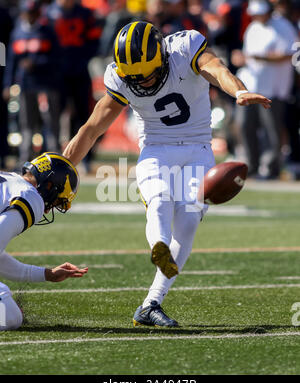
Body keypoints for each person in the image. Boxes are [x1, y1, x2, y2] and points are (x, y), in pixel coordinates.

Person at [63, 21, 271, 327]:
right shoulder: (121, 76)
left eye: (148, 74)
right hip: (156, 148)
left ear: (162, 56)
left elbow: (216, 68)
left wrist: (237, 92)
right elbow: (92, 129)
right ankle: (159, 247)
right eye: (136, 78)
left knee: (187, 218)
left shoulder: (185, 48)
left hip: (199, 146)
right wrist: (62, 166)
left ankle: (151, 303)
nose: (143, 83)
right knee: (159, 200)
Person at [0, 152, 88, 330]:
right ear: (49, 185)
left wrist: (47, 274)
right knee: (9, 316)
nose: (48, 210)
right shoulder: (31, 196)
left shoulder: (9, 179)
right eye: (55, 202)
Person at [232, 0, 298, 179]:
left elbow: (288, 54)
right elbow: (248, 55)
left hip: (273, 87)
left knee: (271, 129)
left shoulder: (283, 26)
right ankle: (251, 165)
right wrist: (242, 59)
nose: (257, 16)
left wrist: (259, 58)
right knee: (244, 124)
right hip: (250, 85)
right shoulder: (253, 28)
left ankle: (271, 167)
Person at [45, 0, 102, 173]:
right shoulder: (49, 12)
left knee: (83, 115)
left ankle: (85, 158)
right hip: (56, 74)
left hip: (79, 71)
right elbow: (44, 39)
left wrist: (81, 60)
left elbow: (94, 40)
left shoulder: (85, 13)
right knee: (52, 115)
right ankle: (51, 158)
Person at [3, 0, 62, 166]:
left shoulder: (47, 31)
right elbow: (11, 63)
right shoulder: (17, 33)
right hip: (26, 85)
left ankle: (53, 159)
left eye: (33, 13)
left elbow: (57, 58)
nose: (29, 16)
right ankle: (25, 160)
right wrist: (8, 84)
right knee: (27, 124)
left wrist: (37, 63)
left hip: (46, 85)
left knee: (50, 123)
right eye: (27, 13)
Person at [0, 6, 13, 170]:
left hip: (1, 73)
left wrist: (7, 82)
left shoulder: (4, 14)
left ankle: (3, 156)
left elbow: (8, 49)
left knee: (2, 119)